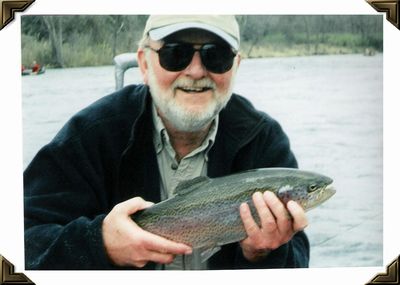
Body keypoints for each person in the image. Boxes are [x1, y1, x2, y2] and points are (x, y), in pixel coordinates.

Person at [24, 15, 310, 270]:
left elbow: (297, 261)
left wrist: (262, 256)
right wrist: (100, 244)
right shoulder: (91, 135)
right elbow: (21, 240)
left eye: (216, 55)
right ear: (143, 64)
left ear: (235, 66)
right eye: (175, 54)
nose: (196, 71)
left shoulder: (265, 141)